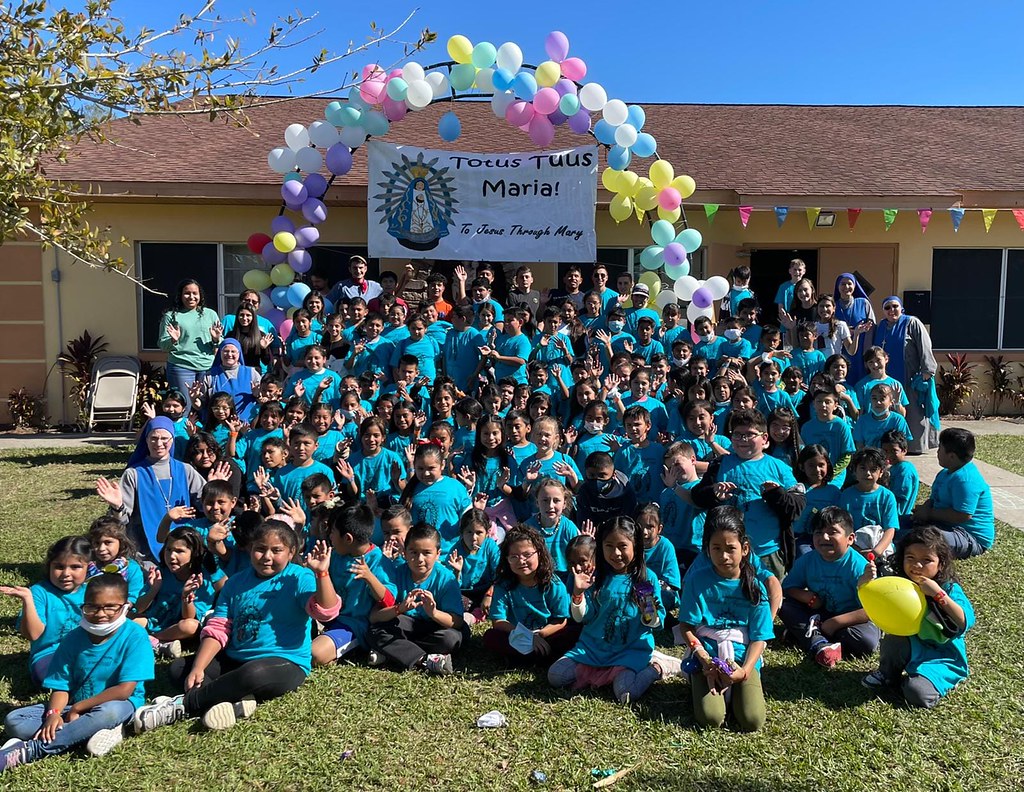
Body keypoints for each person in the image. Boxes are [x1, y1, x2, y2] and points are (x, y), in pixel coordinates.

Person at [135, 522, 340, 732]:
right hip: (235, 658)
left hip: (284, 662)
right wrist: (198, 667)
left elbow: (326, 611)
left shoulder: (299, 577)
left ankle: (182, 706)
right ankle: (233, 699)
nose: (267, 556)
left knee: (253, 673)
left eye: (276, 550)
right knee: (179, 668)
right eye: (260, 549)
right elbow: (218, 628)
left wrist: (322, 574)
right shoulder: (235, 583)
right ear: (250, 548)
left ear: (291, 552)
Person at [0, 574, 155, 769]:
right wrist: (53, 714)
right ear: (83, 606)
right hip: (74, 706)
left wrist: (78, 708)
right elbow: (61, 686)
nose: (100, 614)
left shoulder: (135, 635)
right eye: (92, 607)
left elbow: (124, 690)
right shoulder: (73, 637)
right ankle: (91, 731)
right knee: (14, 721)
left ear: (124, 606)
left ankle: (33, 750)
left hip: (119, 704)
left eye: (110, 607)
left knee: (109, 712)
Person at [548, 516, 681, 704]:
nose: (616, 553)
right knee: (556, 676)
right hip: (593, 649)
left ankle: (658, 667)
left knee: (626, 693)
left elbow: (655, 622)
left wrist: (648, 611)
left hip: (630, 650)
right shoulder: (597, 576)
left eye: (622, 546)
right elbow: (582, 617)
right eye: (609, 546)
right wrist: (578, 594)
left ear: (635, 545)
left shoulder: (646, 578)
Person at [677, 506, 771, 731]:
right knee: (711, 718)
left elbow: (759, 638)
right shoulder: (697, 581)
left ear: (744, 548)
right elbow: (687, 626)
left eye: (731, 548)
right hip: (707, 658)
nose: (724, 556)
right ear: (707, 549)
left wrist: (745, 671)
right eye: (716, 548)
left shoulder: (755, 587)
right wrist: (704, 659)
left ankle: (740, 686)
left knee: (752, 720)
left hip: (741, 657)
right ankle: (699, 679)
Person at [861, 526, 975, 708]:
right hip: (911, 645)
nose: (917, 565)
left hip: (943, 657)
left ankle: (933, 681)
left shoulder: (948, 588)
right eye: (910, 558)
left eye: (926, 560)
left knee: (916, 693)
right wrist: (864, 584)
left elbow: (964, 621)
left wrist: (938, 594)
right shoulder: (900, 584)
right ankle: (887, 673)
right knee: (894, 638)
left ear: (941, 564)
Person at [780, 506, 880, 669]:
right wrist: (809, 597)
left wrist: (834, 623)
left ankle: (807, 635)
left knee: (867, 642)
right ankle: (820, 643)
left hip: (851, 620)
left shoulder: (860, 567)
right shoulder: (808, 560)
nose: (824, 537)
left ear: (850, 538)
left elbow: (871, 611)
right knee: (784, 606)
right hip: (818, 614)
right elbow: (788, 589)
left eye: (832, 532)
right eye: (818, 532)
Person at [95, 417, 205, 561]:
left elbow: (206, 503)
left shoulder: (185, 470)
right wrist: (117, 506)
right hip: (145, 551)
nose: (159, 443)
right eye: (153, 438)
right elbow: (121, 521)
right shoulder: (133, 474)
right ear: (146, 440)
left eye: (164, 438)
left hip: (183, 547)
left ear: (172, 440)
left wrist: (215, 488)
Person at [368, 522, 467, 674]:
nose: (419, 559)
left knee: (451, 639)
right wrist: (400, 608)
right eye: (413, 552)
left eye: (426, 553)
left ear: (438, 554)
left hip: (435, 627)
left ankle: (394, 651)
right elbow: (374, 617)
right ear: (404, 552)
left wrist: (434, 613)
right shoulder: (396, 573)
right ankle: (425, 660)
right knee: (375, 631)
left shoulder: (447, 579)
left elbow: (457, 622)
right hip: (406, 624)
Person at [311, 504, 397, 667]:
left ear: (348, 538)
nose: (330, 536)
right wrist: (316, 570)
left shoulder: (379, 562)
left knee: (314, 654)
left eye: (333, 532)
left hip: (354, 626)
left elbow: (389, 601)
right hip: (329, 620)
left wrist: (369, 577)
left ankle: (343, 649)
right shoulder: (335, 554)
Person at [0, 536, 90, 686]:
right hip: (50, 655)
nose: (66, 573)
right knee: (52, 678)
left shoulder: (93, 592)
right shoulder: (39, 592)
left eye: (75, 567)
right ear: (49, 566)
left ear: (89, 567)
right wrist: (27, 600)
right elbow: (33, 634)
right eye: (59, 567)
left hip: (86, 652)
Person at [484, 525, 575, 665]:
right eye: (514, 557)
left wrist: (540, 635)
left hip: (546, 634)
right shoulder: (503, 585)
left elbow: (560, 620)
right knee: (491, 637)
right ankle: (540, 657)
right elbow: (498, 621)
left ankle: (524, 657)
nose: (521, 561)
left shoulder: (554, 584)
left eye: (527, 555)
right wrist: (527, 637)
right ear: (506, 559)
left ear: (539, 553)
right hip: (517, 634)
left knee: (572, 634)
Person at [911, 428, 993, 558]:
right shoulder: (945, 473)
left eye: (940, 448)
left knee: (919, 539)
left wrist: (929, 513)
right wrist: (925, 508)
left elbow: (963, 515)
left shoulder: (965, 479)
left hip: (968, 536)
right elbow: (934, 499)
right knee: (896, 525)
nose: (937, 452)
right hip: (942, 526)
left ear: (952, 456)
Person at [872, 295, 939, 454]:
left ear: (901, 308)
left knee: (914, 413)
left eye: (895, 306)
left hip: (910, 377)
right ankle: (892, 446)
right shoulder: (881, 327)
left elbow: (925, 346)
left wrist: (927, 371)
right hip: (887, 379)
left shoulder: (912, 323)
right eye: (887, 307)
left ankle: (914, 446)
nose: (891, 310)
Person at [159, 279, 223, 414]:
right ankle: (182, 428)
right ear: (180, 295)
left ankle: (203, 429)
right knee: (184, 407)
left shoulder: (210, 314)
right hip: (181, 366)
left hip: (207, 367)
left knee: (207, 406)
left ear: (200, 295)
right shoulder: (171, 316)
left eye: (195, 293)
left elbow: (220, 341)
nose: (191, 297)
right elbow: (163, 345)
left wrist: (216, 339)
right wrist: (173, 340)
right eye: (187, 293)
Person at [201, 338, 262, 424]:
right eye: (226, 351)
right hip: (218, 425)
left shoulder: (252, 373)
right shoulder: (210, 375)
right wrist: (194, 399)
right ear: (220, 353)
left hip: (246, 425)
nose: (229, 354)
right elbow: (201, 405)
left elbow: (263, 401)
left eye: (233, 351)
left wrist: (257, 396)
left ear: (239, 353)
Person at [87, 516, 146, 605]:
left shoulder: (131, 568)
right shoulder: (90, 567)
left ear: (121, 543)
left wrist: (123, 608)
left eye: (108, 542)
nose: (101, 548)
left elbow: (134, 596)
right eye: (97, 543)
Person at [832, 273, 875, 383]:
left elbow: (871, 327)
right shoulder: (833, 306)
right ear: (838, 286)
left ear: (855, 286)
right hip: (841, 350)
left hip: (861, 349)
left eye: (849, 284)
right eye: (843, 284)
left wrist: (867, 351)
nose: (846, 287)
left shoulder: (863, 303)